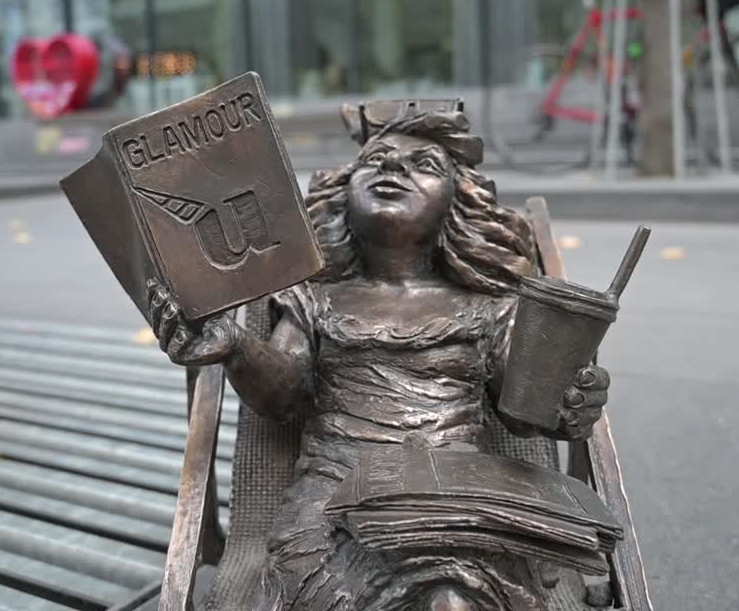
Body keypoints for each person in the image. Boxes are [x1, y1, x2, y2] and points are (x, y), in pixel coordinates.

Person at [147, 107, 610, 611]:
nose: (392, 168)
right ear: (342, 195)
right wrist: (237, 347)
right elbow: (284, 395)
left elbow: (525, 410)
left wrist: (568, 403)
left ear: (457, 203)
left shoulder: (486, 306)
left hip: (457, 491)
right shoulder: (318, 298)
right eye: (375, 159)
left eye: (424, 165)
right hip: (337, 493)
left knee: (454, 596)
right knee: (329, 592)